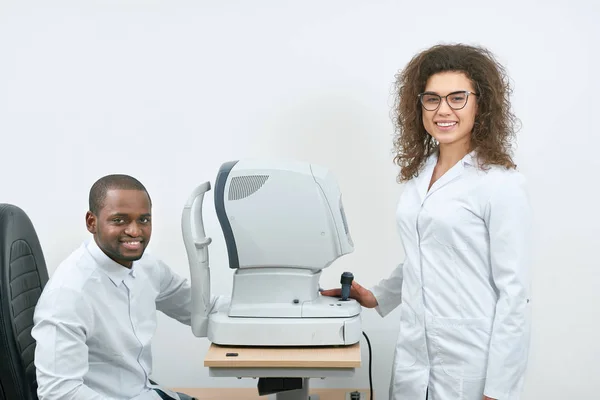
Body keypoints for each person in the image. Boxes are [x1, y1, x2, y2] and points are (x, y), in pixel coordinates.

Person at [321, 43, 532, 400]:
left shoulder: (499, 184)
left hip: (471, 362)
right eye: (432, 99)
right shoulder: (421, 174)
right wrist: (376, 297)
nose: (443, 110)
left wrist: (500, 389)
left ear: (481, 103)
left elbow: (515, 293)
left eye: (457, 98)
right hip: (415, 355)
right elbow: (425, 252)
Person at [32, 174, 199, 400]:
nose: (135, 231)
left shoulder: (147, 267)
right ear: (92, 222)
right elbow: (59, 393)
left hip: (144, 391)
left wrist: (256, 315)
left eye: (143, 220)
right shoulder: (68, 294)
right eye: (119, 220)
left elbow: (198, 308)